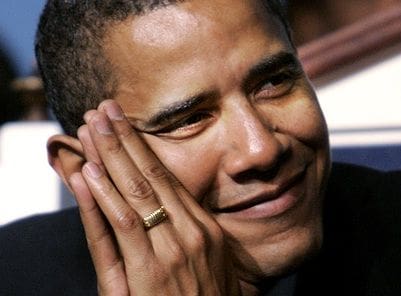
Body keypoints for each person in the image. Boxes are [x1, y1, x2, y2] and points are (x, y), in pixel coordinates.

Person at [0, 0, 400, 295]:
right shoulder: (15, 275)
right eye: (189, 120)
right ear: (85, 170)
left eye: (273, 83)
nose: (261, 150)